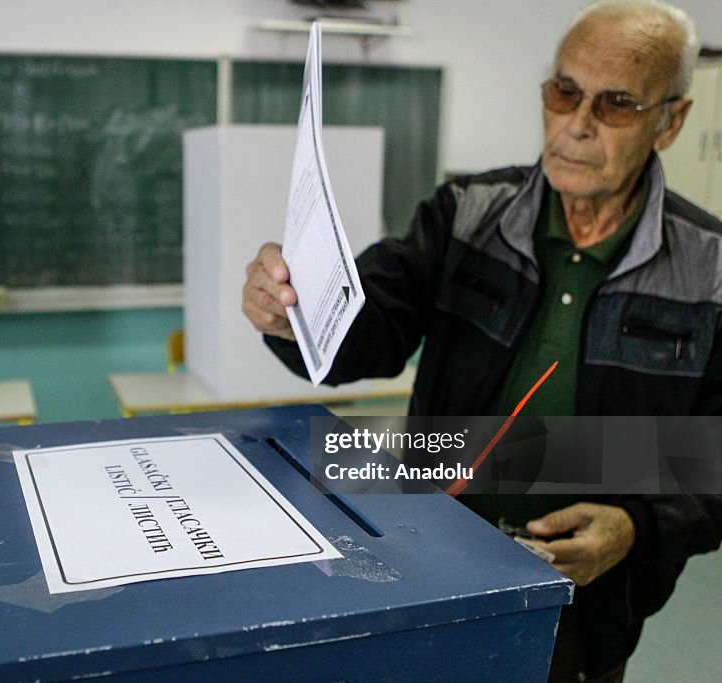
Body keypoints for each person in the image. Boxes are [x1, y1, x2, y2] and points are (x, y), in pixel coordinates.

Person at [242, 1, 722, 681]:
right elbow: (369, 332)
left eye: (615, 104)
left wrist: (637, 525)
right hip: (437, 560)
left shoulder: (712, 269)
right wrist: (292, 314)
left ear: (671, 120)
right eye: (564, 92)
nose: (577, 125)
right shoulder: (466, 213)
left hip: (588, 601)